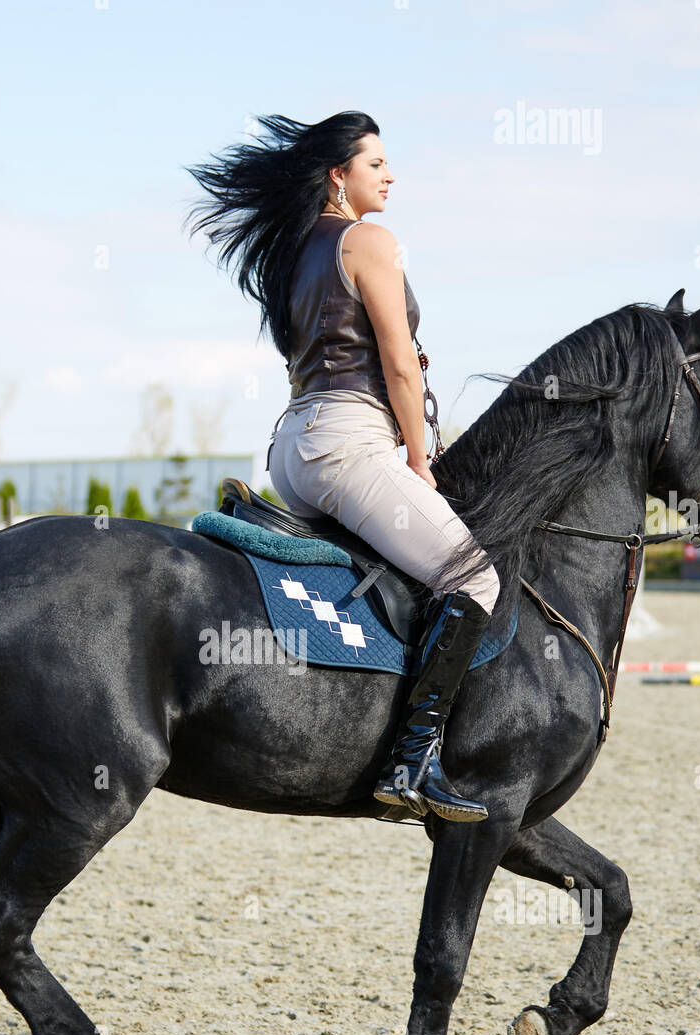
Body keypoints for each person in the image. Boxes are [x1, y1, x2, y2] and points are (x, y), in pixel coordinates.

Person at [185, 112, 499, 822]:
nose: (389, 176)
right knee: (472, 575)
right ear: (338, 175)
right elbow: (396, 361)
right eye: (376, 164)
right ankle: (412, 761)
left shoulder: (294, 252)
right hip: (349, 442)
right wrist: (419, 458)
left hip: (291, 448)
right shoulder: (368, 239)